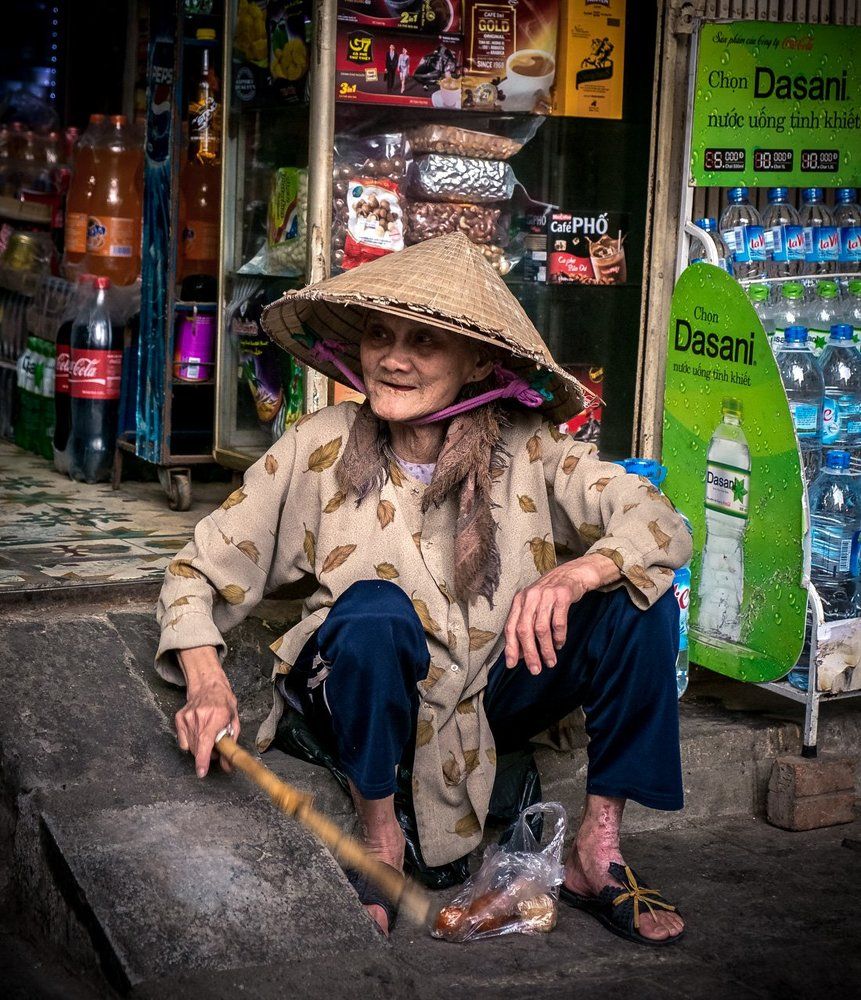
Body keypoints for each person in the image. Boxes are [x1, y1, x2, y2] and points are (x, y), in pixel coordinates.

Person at [155, 233, 691, 945]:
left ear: (477, 362)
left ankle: (598, 849)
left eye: (425, 343)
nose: (393, 358)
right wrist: (205, 682)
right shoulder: (319, 444)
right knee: (376, 611)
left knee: (634, 600)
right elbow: (194, 571)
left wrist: (577, 571)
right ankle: (380, 838)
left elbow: (657, 520)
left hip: (487, 691)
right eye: (380, 334)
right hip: (363, 687)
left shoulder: (529, 445)